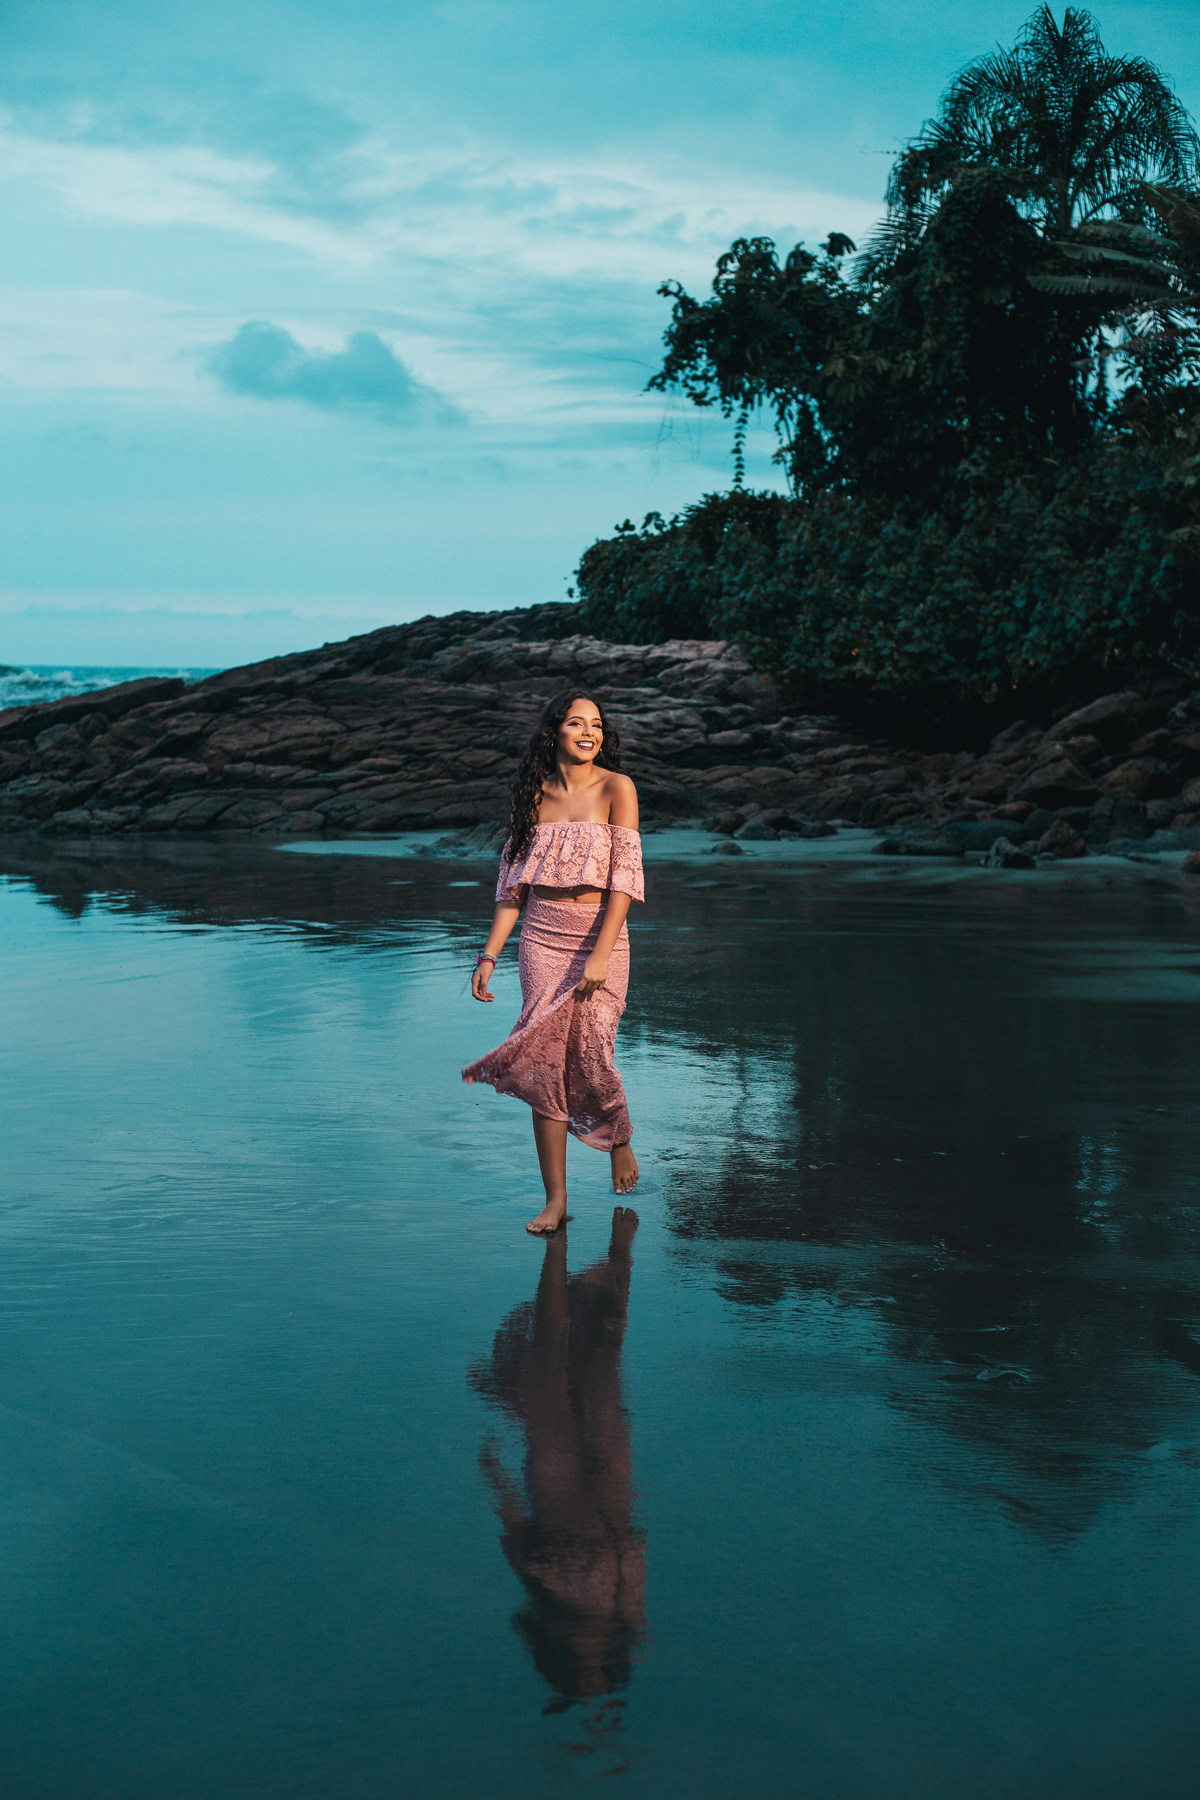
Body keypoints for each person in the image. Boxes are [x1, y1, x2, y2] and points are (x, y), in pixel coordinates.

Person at [462, 691, 643, 1234]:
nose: (588, 732)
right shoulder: (534, 796)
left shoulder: (617, 787)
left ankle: (619, 1139)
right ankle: (556, 1199)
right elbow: (512, 891)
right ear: (554, 731)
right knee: (546, 1069)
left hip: (600, 938)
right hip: (541, 939)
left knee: (592, 1051)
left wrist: (602, 954)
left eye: (596, 725)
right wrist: (489, 956)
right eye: (575, 723)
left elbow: (624, 884)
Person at [470, 1208, 646, 1712]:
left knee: (552, 1362)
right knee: (602, 1364)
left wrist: (495, 1471)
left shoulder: (543, 1593)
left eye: (583, 1666)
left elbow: (515, 1523)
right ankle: (619, 1256)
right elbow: (631, 1543)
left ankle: (561, 1255)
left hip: (557, 1482)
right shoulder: (625, 1615)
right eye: (595, 1667)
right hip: (607, 1485)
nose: (588, 1656)